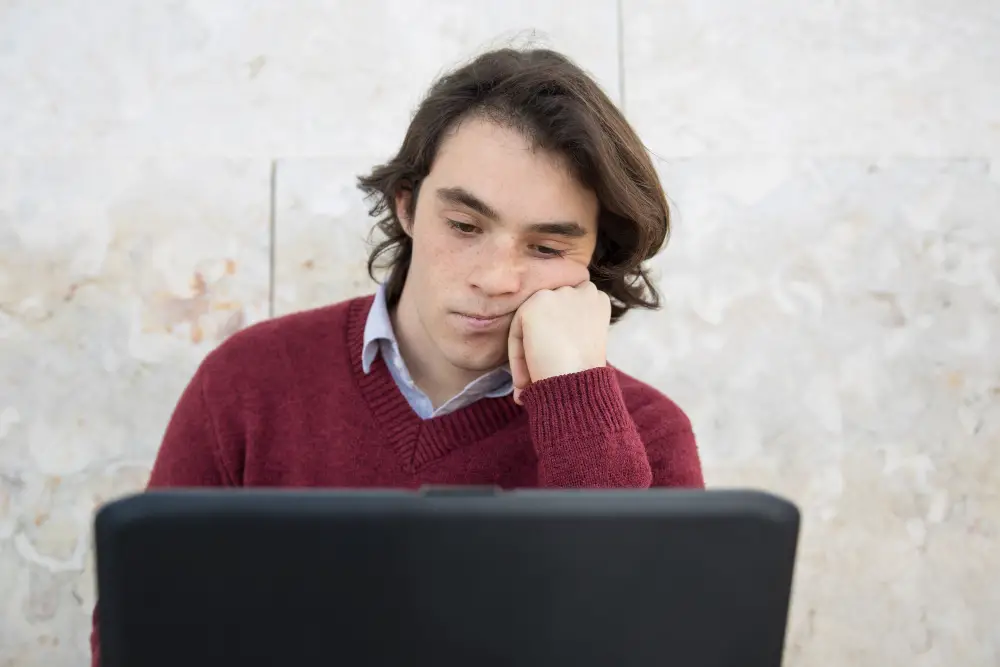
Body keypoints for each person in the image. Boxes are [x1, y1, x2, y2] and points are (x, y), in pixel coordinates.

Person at [90, 46, 703, 665]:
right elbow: (139, 636)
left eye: (546, 248)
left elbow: (646, 648)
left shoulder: (647, 436)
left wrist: (574, 397)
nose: (495, 278)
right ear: (407, 204)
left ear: (593, 258)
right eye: (465, 226)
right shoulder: (248, 382)